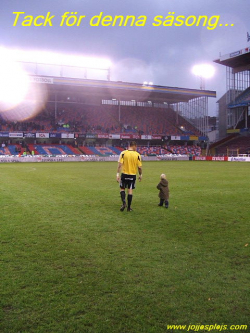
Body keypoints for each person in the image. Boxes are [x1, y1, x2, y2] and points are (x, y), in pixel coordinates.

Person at [116, 141, 142, 212]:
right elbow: (139, 167)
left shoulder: (123, 153)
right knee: (130, 190)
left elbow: (120, 165)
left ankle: (124, 202)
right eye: (136, 147)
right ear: (134, 146)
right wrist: (140, 175)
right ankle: (129, 207)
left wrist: (117, 174)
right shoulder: (137, 155)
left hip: (124, 174)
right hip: (132, 175)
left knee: (122, 188)